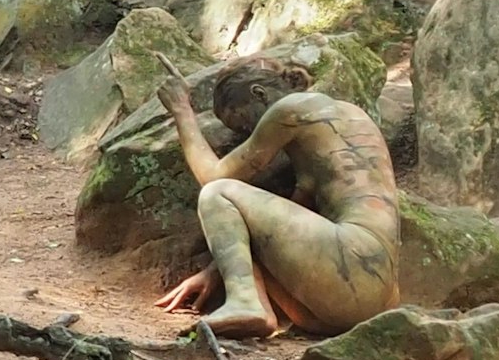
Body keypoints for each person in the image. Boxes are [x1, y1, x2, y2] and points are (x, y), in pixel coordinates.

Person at [152, 54, 400, 338]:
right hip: (375, 295)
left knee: (217, 193)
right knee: (250, 232)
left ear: (259, 94)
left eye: (244, 124)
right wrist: (214, 271)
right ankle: (248, 301)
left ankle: (245, 301)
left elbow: (214, 176)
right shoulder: (349, 117)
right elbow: (281, 228)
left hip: (352, 267)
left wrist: (181, 110)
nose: (249, 134)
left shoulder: (289, 110)